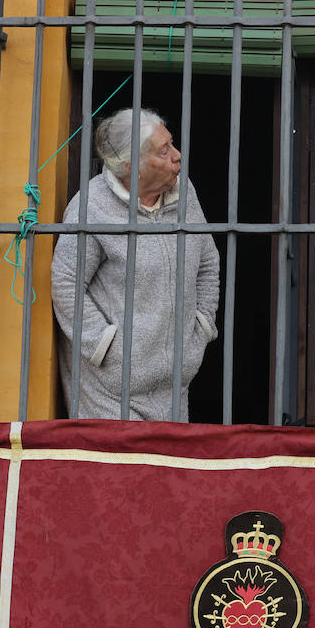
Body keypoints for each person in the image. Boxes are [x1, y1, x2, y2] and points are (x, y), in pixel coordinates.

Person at [50, 107, 220, 421]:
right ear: (133, 167)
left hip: (173, 387)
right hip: (110, 394)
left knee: (167, 469)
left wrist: (201, 328)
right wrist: (105, 347)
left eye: (172, 143)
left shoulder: (185, 193)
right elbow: (65, 284)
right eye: (164, 150)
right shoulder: (92, 207)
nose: (177, 156)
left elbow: (208, 261)